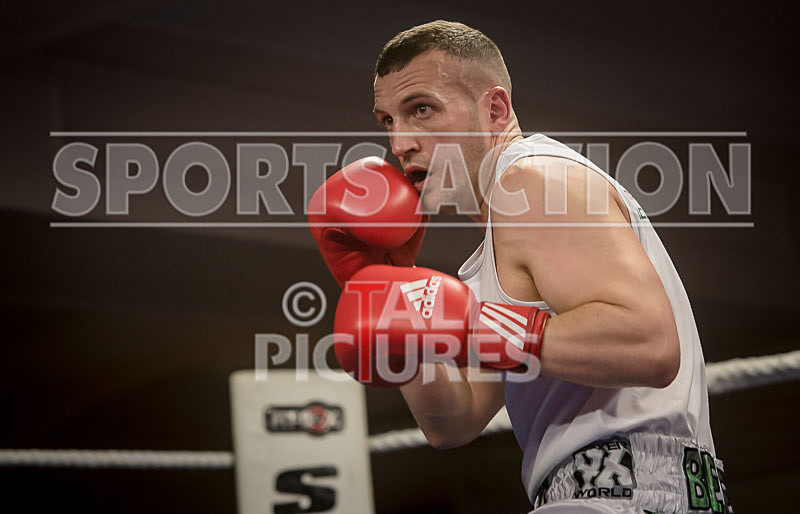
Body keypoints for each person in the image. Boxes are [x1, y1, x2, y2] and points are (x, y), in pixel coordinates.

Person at [310, 20, 731, 513]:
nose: (400, 141)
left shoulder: (533, 179)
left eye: (421, 109)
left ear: (494, 109)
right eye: (387, 120)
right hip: (608, 492)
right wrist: (388, 291)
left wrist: (471, 326)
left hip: (627, 490)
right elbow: (453, 422)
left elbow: (650, 344)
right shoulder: (489, 257)